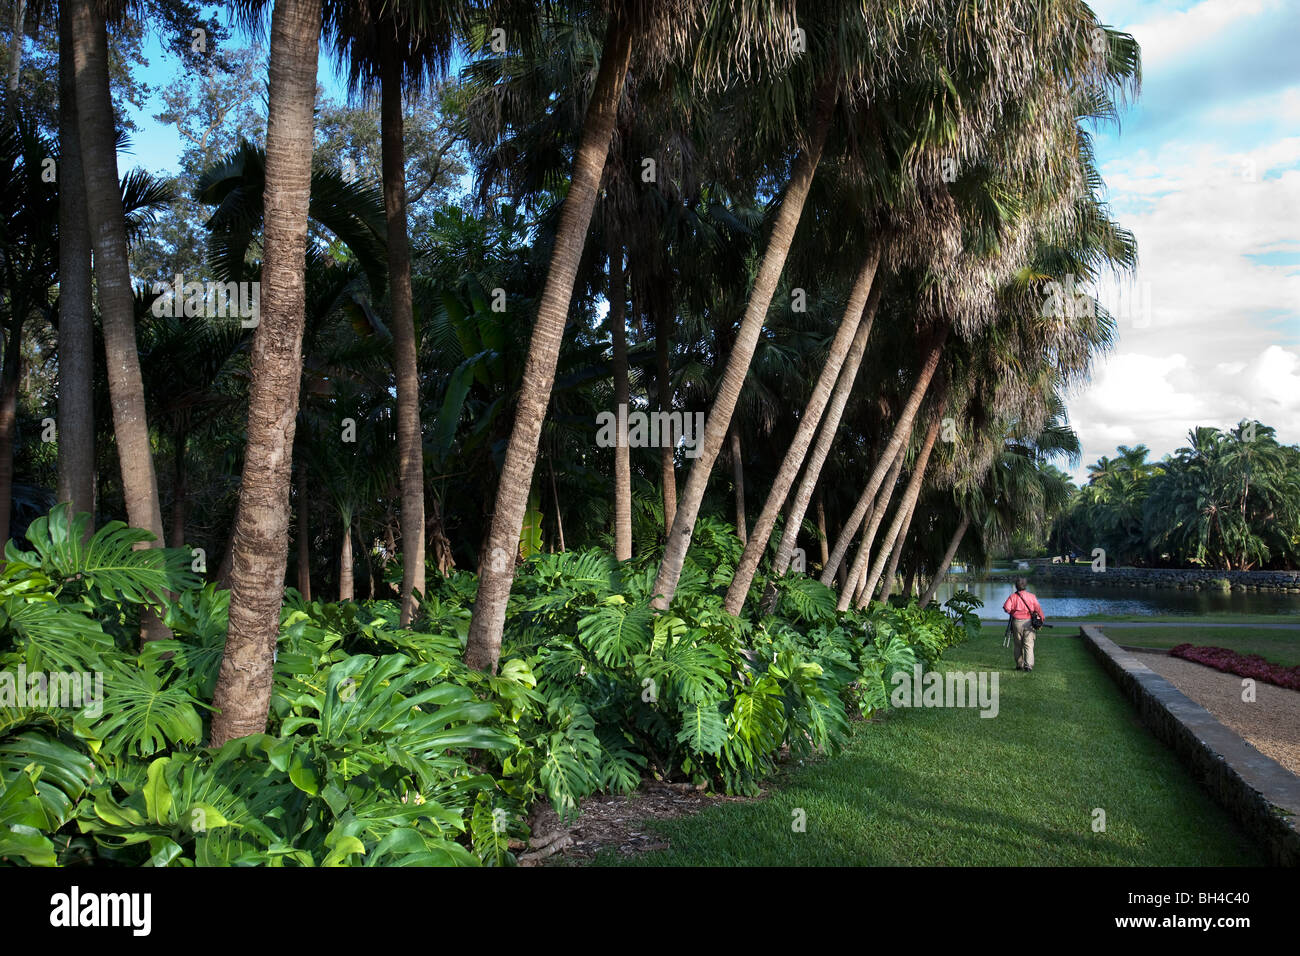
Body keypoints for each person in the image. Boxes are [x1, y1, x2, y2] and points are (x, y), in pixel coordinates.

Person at [1003, 577, 1045, 672]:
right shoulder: (1032, 596)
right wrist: (1041, 619)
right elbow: (1038, 609)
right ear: (1025, 585)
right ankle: (1028, 665)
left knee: (1018, 644)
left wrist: (1013, 612)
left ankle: (1019, 664)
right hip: (1029, 622)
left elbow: (1006, 608)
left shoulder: (1012, 597)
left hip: (1016, 622)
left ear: (1016, 586)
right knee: (1028, 644)